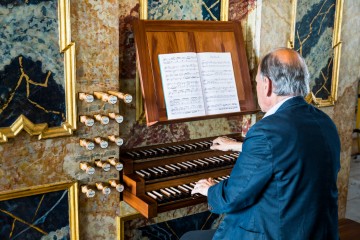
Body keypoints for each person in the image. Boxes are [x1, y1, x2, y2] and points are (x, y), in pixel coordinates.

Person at [180, 48, 340, 240]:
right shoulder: (324, 122)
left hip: (276, 233)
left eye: (256, 82)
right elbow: (291, 149)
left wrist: (211, 189)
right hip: (317, 232)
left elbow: (232, 197)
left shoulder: (266, 131)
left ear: (267, 84)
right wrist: (238, 146)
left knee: (189, 237)